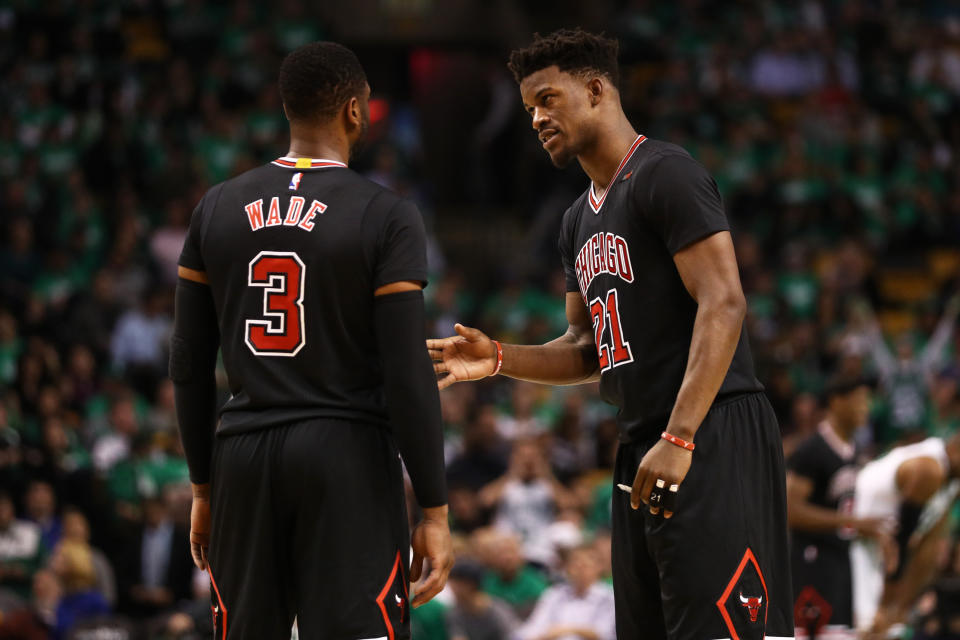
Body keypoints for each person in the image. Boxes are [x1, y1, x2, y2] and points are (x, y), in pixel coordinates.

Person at [429, 29, 792, 640]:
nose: (537, 118)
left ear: (596, 90)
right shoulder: (576, 219)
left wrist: (681, 434)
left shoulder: (665, 173)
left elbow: (725, 302)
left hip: (709, 429)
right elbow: (584, 351)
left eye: (547, 99)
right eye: (529, 110)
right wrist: (496, 358)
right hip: (641, 442)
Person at [170, 41, 452, 639]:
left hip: (243, 455)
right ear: (355, 112)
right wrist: (433, 507)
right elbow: (407, 371)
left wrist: (202, 485)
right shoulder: (386, 213)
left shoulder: (215, 207)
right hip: (345, 452)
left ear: (286, 109)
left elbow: (188, 363)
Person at [786, 375, 889, 639]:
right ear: (837, 402)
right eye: (860, 400)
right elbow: (791, 511)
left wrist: (870, 529)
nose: (866, 408)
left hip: (840, 560)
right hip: (811, 560)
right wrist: (853, 523)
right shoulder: (812, 449)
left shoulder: (854, 450)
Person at [850, 432, 960, 637]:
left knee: (887, 630)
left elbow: (929, 545)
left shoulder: (953, 480)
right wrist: (885, 607)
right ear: (955, 448)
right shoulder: (929, 469)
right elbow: (900, 539)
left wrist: (901, 606)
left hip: (882, 556)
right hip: (854, 544)